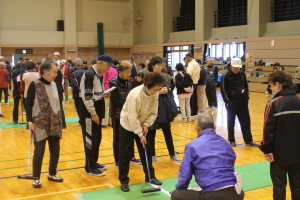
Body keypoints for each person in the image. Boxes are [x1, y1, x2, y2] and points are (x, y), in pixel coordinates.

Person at [171, 113, 244, 200]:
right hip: (236, 193)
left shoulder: (192, 146)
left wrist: (181, 190)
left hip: (214, 195)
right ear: (215, 127)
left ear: (198, 128)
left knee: (176, 195)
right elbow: (231, 163)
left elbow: (185, 174)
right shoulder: (226, 143)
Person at [119, 72, 164, 192]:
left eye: (158, 89)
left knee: (146, 152)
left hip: (142, 123)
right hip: (127, 124)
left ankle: (150, 177)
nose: (157, 91)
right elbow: (132, 117)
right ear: (148, 86)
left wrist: (146, 125)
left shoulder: (155, 94)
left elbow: (154, 112)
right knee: (125, 153)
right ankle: (123, 180)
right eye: (155, 89)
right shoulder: (135, 95)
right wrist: (139, 134)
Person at [259, 70, 300, 200]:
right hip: (298, 154)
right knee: (298, 186)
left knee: (279, 186)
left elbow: (268, 130)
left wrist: (267, 150)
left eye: (271, 85)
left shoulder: (273, 103)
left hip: (279, 155)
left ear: (278, 84)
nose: (270, 89)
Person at [26, 61, 64, 188]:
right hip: (40, 123)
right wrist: (29, 121)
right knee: (39, 151)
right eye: (54, 72)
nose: (56, 74)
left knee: (55, 150)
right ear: (46, 72)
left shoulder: (54, 84)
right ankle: (36, 177)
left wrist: (61, 121)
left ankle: (52, 173)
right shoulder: (35, 84)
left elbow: (57, 103)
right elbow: (28, 103)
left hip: (54, 122)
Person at [78, 54, 113, 176]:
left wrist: (104, 94)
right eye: (108, 66)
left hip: (97, 110)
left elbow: (95, 93)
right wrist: (93, 113)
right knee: (90, 140)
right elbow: (87, 97)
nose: (108, 69)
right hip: (89, 113)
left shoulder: (98, 75)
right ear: (101, 62)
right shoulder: (89, 74)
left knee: (97, 139)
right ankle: (89, 166)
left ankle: (94, 162)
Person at [147, 56, 181, 163]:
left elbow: (171, 87)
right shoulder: (148, 77)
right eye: (158, 65)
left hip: (164, 106)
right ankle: (152, 155)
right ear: (152, 65)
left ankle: (172, 154)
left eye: (162, 65)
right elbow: (145, 93)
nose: (161, 67)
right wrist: (158, 92)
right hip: (152, 107)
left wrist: (168, 90)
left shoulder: (166, 77)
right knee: (151, 132)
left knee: (167, 131)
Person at [220, 58, 258, 147]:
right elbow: (223, 89)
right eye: (235, 67)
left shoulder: (242, 74)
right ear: (232, 66)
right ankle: (232, 140)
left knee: (246, 121)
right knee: (231, 122)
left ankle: (248, 140)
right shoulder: (226, 75)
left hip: (243, 102)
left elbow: (246, 85)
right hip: (231, 102)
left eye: (238, 67)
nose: (237, 69)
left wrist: (246, 96)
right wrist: (227, 101)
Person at [109, 60, 141, 167]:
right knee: (118, 137)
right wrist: (129, 103)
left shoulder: (129, 81)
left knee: (131, 135)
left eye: (130, 72)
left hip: (129, 114)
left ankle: (131, 156)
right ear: (120, 72)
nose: (129, 74)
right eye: (127, 72)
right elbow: (115, 101)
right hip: (117, 114)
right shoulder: (113, 82)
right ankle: (118, 159)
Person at [102, 62, 118, 127]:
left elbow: (103, 80)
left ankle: (104, 122)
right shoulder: (115, 70)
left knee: (105, 107)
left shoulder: (106, 70)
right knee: (112, 106)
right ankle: (111, 122)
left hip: (107, 89)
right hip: (114, 89)